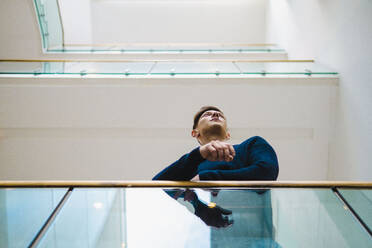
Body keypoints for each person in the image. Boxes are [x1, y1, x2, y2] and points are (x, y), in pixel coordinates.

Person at [153, 106, 279, 181]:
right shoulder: (189, 163)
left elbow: (267, 171)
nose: (215, 114)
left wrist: (207, 178)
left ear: (227, 134)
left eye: (220, 115)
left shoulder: (252, 145)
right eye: (206, 115)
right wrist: (198, 154)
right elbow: (154, 187)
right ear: (195, 133)